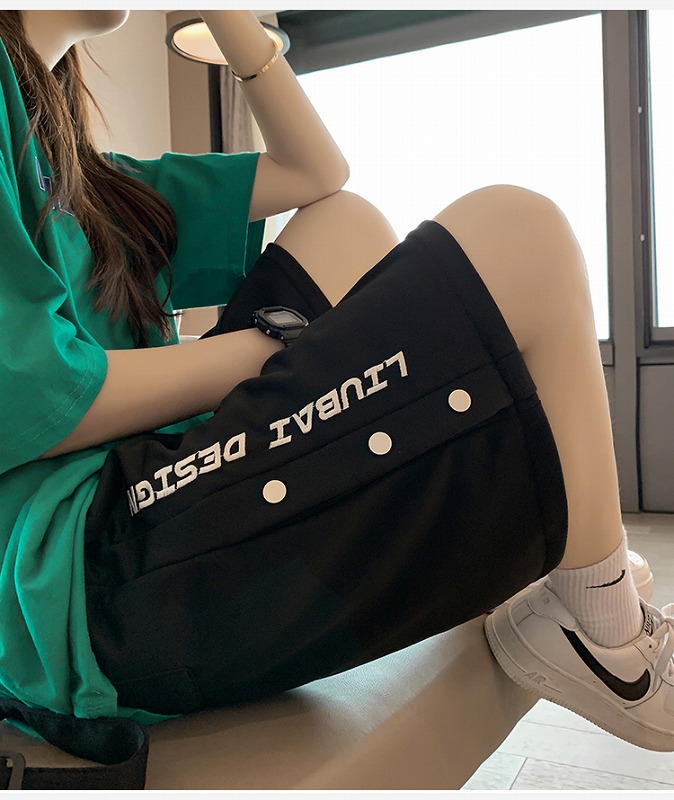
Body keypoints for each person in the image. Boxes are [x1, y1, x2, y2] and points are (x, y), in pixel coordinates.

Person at [0, 7, 672, 789]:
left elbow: (317, 172)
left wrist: (233, 21)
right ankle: (605, 634)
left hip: (137, 507)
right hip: (76, 586)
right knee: (522, 235)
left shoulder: (90, 179)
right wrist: (259, 354)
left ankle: (551, 552)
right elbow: (35, 400)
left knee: (349, 223)